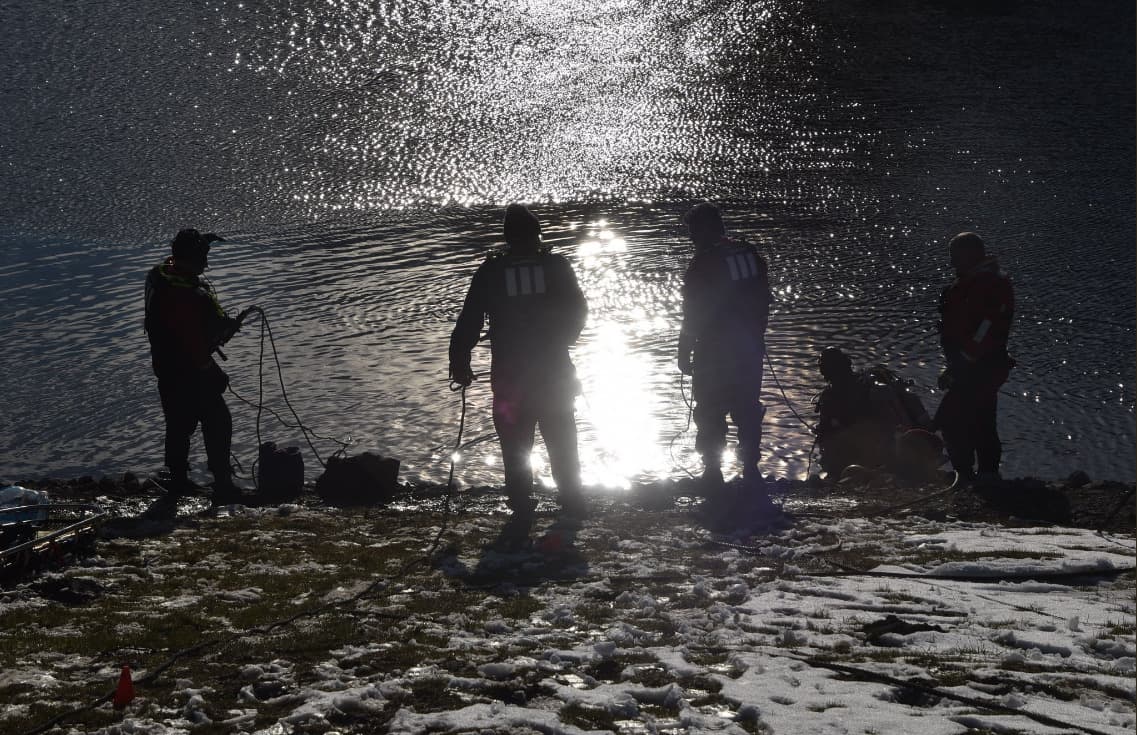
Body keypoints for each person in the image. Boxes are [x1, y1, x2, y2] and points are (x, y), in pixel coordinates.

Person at [449, 204, 589, 522]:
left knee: (514, 437)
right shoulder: (555, 265)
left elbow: (470, 319)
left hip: (510, 370)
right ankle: (571, 498)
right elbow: (580, 309)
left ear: (507, 237)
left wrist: (460, 359)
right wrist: (566, 338)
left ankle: (521, 501)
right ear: (537, 234)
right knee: (561, 434)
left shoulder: (492, 270)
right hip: (554, 367)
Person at [676, 202, 772, 502]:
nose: (691, 238)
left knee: (709, 412)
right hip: (749, 348)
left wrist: (684, 350)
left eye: (693, 232)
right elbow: (764, 300)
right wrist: (756, 336)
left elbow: (693, 314)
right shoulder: (749, 254)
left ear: (705, 229)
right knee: (747, 409)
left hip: (714, 351)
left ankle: (713, 472)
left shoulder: (703, 263)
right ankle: (751, 470)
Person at [144, 229, 247, 498]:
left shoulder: (160, 275)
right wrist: (212, 370)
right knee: (218, 421)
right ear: (191, 257)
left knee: (178, 425)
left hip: (165, 367)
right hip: (188, 369)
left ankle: (177, 481)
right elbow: (193, 342)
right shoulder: (186, 295)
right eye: (203, 257)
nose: (206, 265)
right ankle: (222, 483)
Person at [934, 231, 1015, 485]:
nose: (952, 263)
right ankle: (979, 474)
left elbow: (986, 328)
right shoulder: (970, 284)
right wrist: (955, 365)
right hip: (971, 365)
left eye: (955, 256)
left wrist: (963, 361)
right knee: (979, 417)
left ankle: (973, 473)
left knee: (952, 417)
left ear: (970, 255)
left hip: (981, 365)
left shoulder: (990, 285)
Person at [814, 347, 937, 480]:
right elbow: (825, 432)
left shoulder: (872, 390)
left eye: (827, 371)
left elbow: (891, 425)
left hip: (882, 450)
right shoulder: (830, 397)